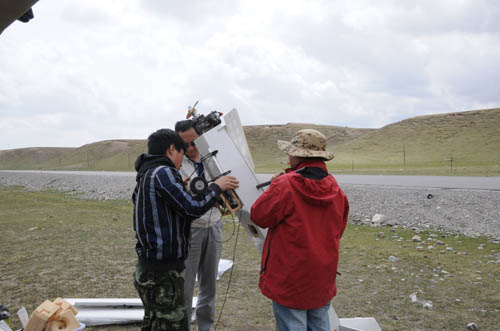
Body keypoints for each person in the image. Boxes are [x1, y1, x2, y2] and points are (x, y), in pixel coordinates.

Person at [132, 128, 239, 331]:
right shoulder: (163, 172)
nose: (182, 159)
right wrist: (217, 187)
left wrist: (176, 190)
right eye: (182, 151)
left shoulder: (146, 172)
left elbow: (145, 202)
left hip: (149, 266)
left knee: (154, 322)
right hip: (164, 271)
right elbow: (192, 208)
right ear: (172, 149)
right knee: (173, 324)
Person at [250, 129, 349, 331]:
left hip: (290, 277)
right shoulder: (336, 190)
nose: (288, 155)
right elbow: (339, 229)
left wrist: (274, 185)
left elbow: (259, 215)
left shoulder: (286, 185)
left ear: (298, 154)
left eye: (291, 151)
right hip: (322, 276)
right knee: (321, 325)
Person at [174, 120, 223, 331]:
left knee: (209, 285)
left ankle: (206, 327)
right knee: (185, 287)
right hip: (190, 229)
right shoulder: (175, 164)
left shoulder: (214, 159)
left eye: (194, 142)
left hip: (214, 226)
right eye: (185, 144)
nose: (191, 148)